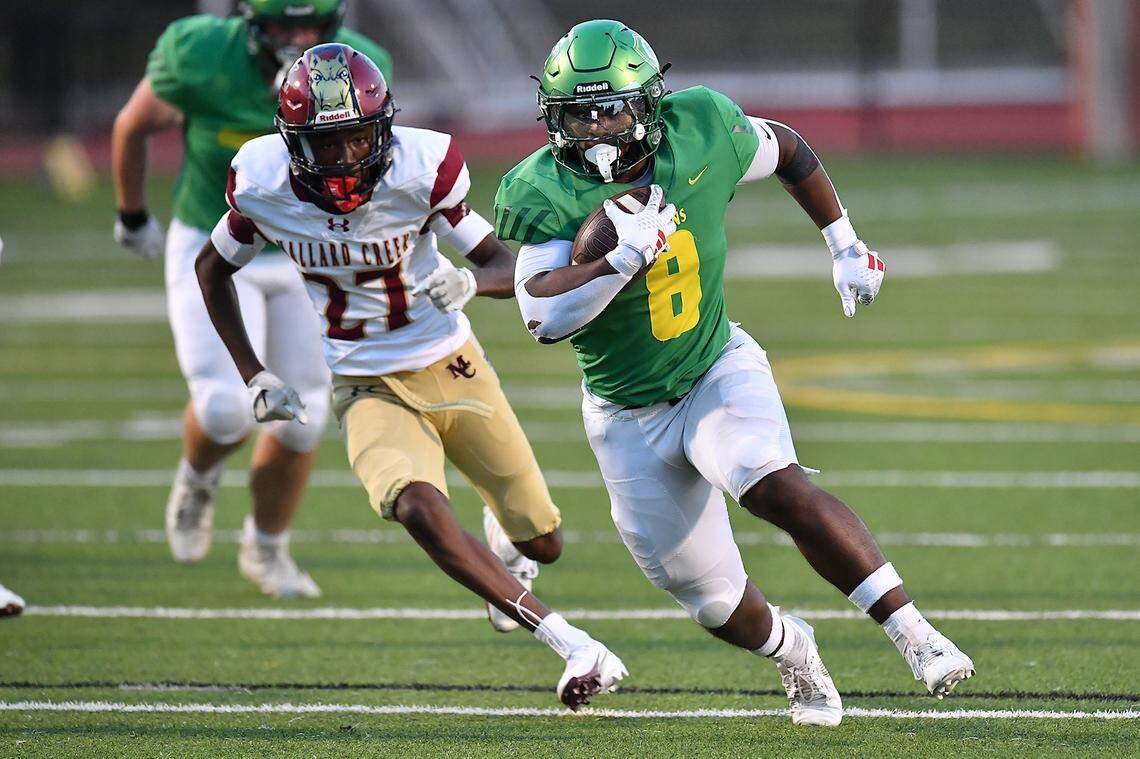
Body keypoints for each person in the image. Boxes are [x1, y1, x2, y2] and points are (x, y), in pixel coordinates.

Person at [495, 19, 975, 726]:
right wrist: (616, 262)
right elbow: (542, 315)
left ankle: (913, 631)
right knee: (713, 601)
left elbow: (789, 149)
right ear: (554, 117)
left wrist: (844, 243)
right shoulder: (544, 188)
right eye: (580, 114)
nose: (597, 128)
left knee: (768, 478)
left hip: (715, 365)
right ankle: (795, 650)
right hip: (625, 413)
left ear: (651, 104)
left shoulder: (704, 128)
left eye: (612, 109)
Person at [194, 43, 627, 708]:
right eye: (326, 143)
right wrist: (251, 372)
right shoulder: (261, 184)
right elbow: (211, 268)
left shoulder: (421, 170)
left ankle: (509, 550)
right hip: (364, 381)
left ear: (383, 127)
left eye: (356, 137)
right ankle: (570, 640)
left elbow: (504, 265)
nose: (343, 158)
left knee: (544, 538)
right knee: (417, 504)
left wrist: (468, 282)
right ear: (292, 144)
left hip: (453, 365)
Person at [110, 1, 392, 598]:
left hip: (301, 252)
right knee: (223, 408)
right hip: (214, 243)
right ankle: (199, 476)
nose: (297, 38)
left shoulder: (357, 69)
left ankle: (266, 549)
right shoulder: (201, 55)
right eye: (283, 26)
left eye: (310, 27)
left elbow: (378, 169)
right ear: (251, 23)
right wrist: (132, 214)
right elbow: (132, 124)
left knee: (306, 416)